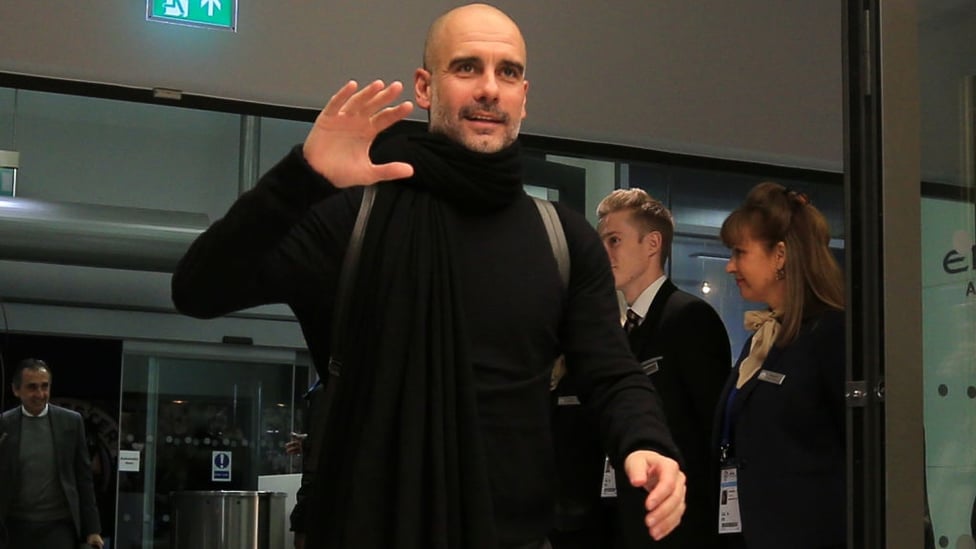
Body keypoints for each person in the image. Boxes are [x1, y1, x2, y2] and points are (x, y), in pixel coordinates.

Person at [171, 3, 687, 548]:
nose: (490, 88)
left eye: (507, 72)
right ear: (425, 86)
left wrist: (646, 440)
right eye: (466, 68)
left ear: (524, 97)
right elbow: (199, 290)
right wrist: (303, 176)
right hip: (364, 529)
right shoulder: (355, 218)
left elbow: (609, 370)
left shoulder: (562, 238)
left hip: (512, 535)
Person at [593, 188, 730, 549]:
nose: (604, 252)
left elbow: (709, 433)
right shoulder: (625, 329)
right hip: (631, 520)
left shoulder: (689, 318)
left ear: (652, 243)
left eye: (615, 240)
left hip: (681, 524)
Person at [715, 182, 845, 549]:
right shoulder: (764, 338)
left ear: (780, 255)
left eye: (739, 253)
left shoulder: (833, 334)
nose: (730, 266)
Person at [0, 359, 105, 549]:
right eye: (32, 387)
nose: (40, 394)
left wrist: (93, 530)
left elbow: (84, 479)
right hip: (14, 525)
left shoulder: (71, 423)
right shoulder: (4, 425)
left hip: (58, 526)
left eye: (44, 386)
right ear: (16, 390)